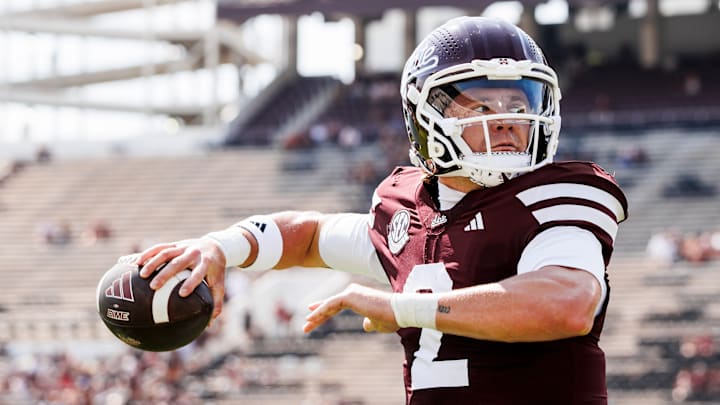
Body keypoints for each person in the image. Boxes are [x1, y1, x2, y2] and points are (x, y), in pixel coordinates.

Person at [133, 17, 628, 404]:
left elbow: (567, 303)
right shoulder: (405, 212)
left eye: (519, 103)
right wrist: (220, 246)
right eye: (478, 106)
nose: (506, 120)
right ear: (425, 119)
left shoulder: (558, 195)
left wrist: (402, 309)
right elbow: (306, 234)